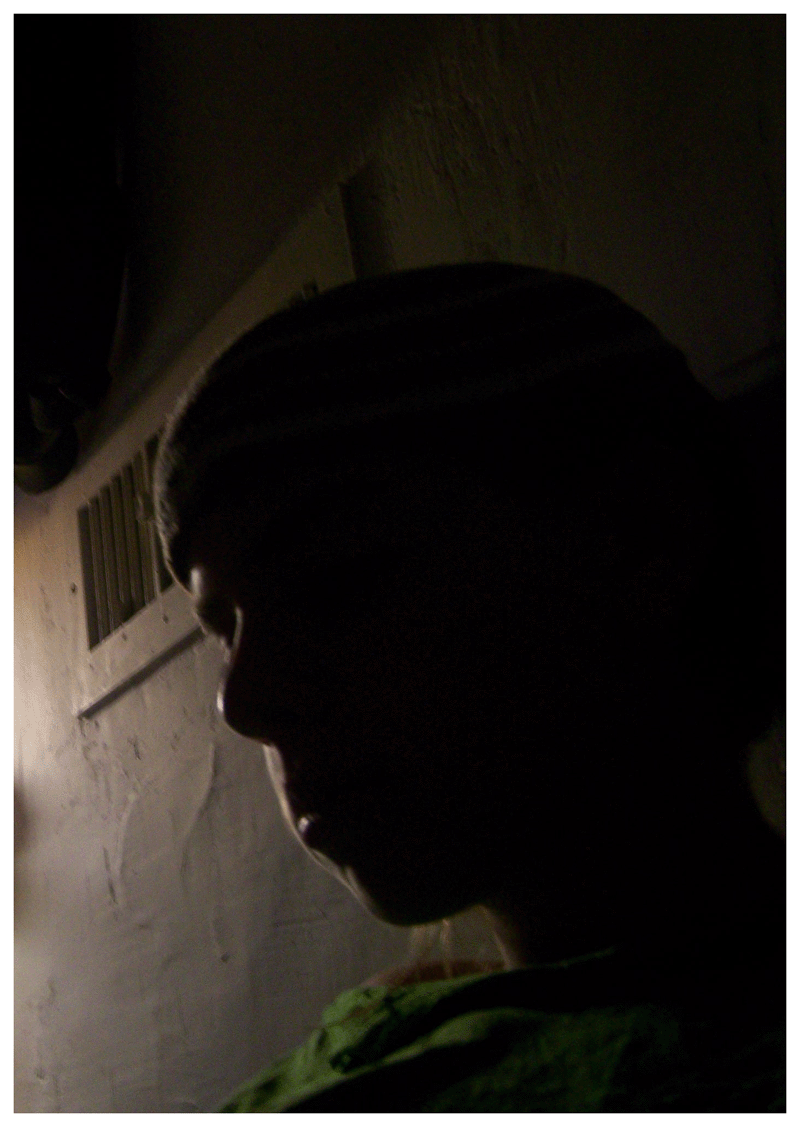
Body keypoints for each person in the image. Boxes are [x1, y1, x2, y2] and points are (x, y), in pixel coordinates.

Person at [154, 263, 785, 1112]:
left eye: (335, 578)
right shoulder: (391, 1038)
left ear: (645, 535)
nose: (243, 702)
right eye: (225, 628)